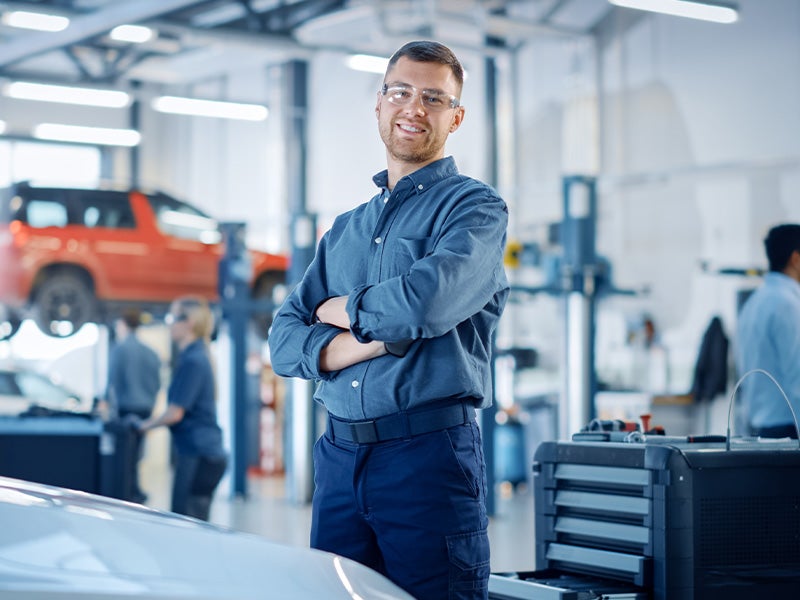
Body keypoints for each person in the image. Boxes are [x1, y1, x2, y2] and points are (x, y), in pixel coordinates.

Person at [268, 40, 509, 600]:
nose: (414, 108)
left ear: (457, 116)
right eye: (400, 92)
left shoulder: (473, 208)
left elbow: (425, 304)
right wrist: (376, 340)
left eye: (434, 98)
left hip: (425, 458)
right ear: (379, 103)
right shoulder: (346, 229)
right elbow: (283, 342)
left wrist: (342, 312)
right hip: (337, 458)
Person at [139, 296, 228, 520]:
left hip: (198, 454)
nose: (168, 323)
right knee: (195, 524)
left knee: (184, 523)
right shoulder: (198, 356)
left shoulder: (193, 361)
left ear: (188, 322)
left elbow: (175, 414)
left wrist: (144, 425)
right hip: (207, 453)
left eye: (172, 317)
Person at [735, 223, 800, 439]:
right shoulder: (788, 305)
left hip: (761, 429)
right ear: (796, 259)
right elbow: (797, 379)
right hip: (790, 429)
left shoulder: (754, 302)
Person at [105, 309, 161, 504]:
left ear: (123, 324)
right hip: (145, 408)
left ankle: (126, 492)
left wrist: (106, 404)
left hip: (126, 408)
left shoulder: (120, 349)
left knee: (124, 455)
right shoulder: (151, 352)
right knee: (137, 453)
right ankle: (135, 490)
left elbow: (112, 380)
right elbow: (157, 384)